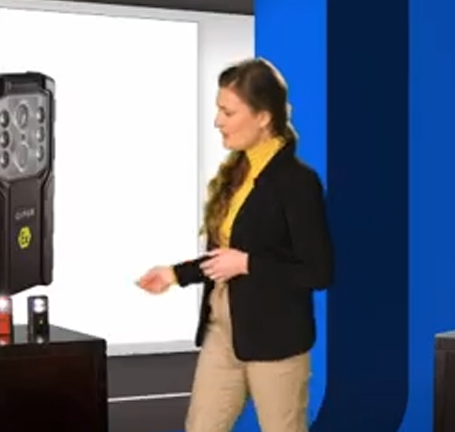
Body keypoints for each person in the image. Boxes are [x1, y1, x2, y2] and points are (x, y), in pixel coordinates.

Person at [135, 57, 333, 432]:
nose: (217, 121)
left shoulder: (298, 183)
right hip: (223, 332)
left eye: (228, 112)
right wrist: (175, 274)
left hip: (276, 344)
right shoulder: (237, 174)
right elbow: (225, 256)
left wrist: (248, 265)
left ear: (263, 117)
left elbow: (318, 272)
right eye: (218, 110)